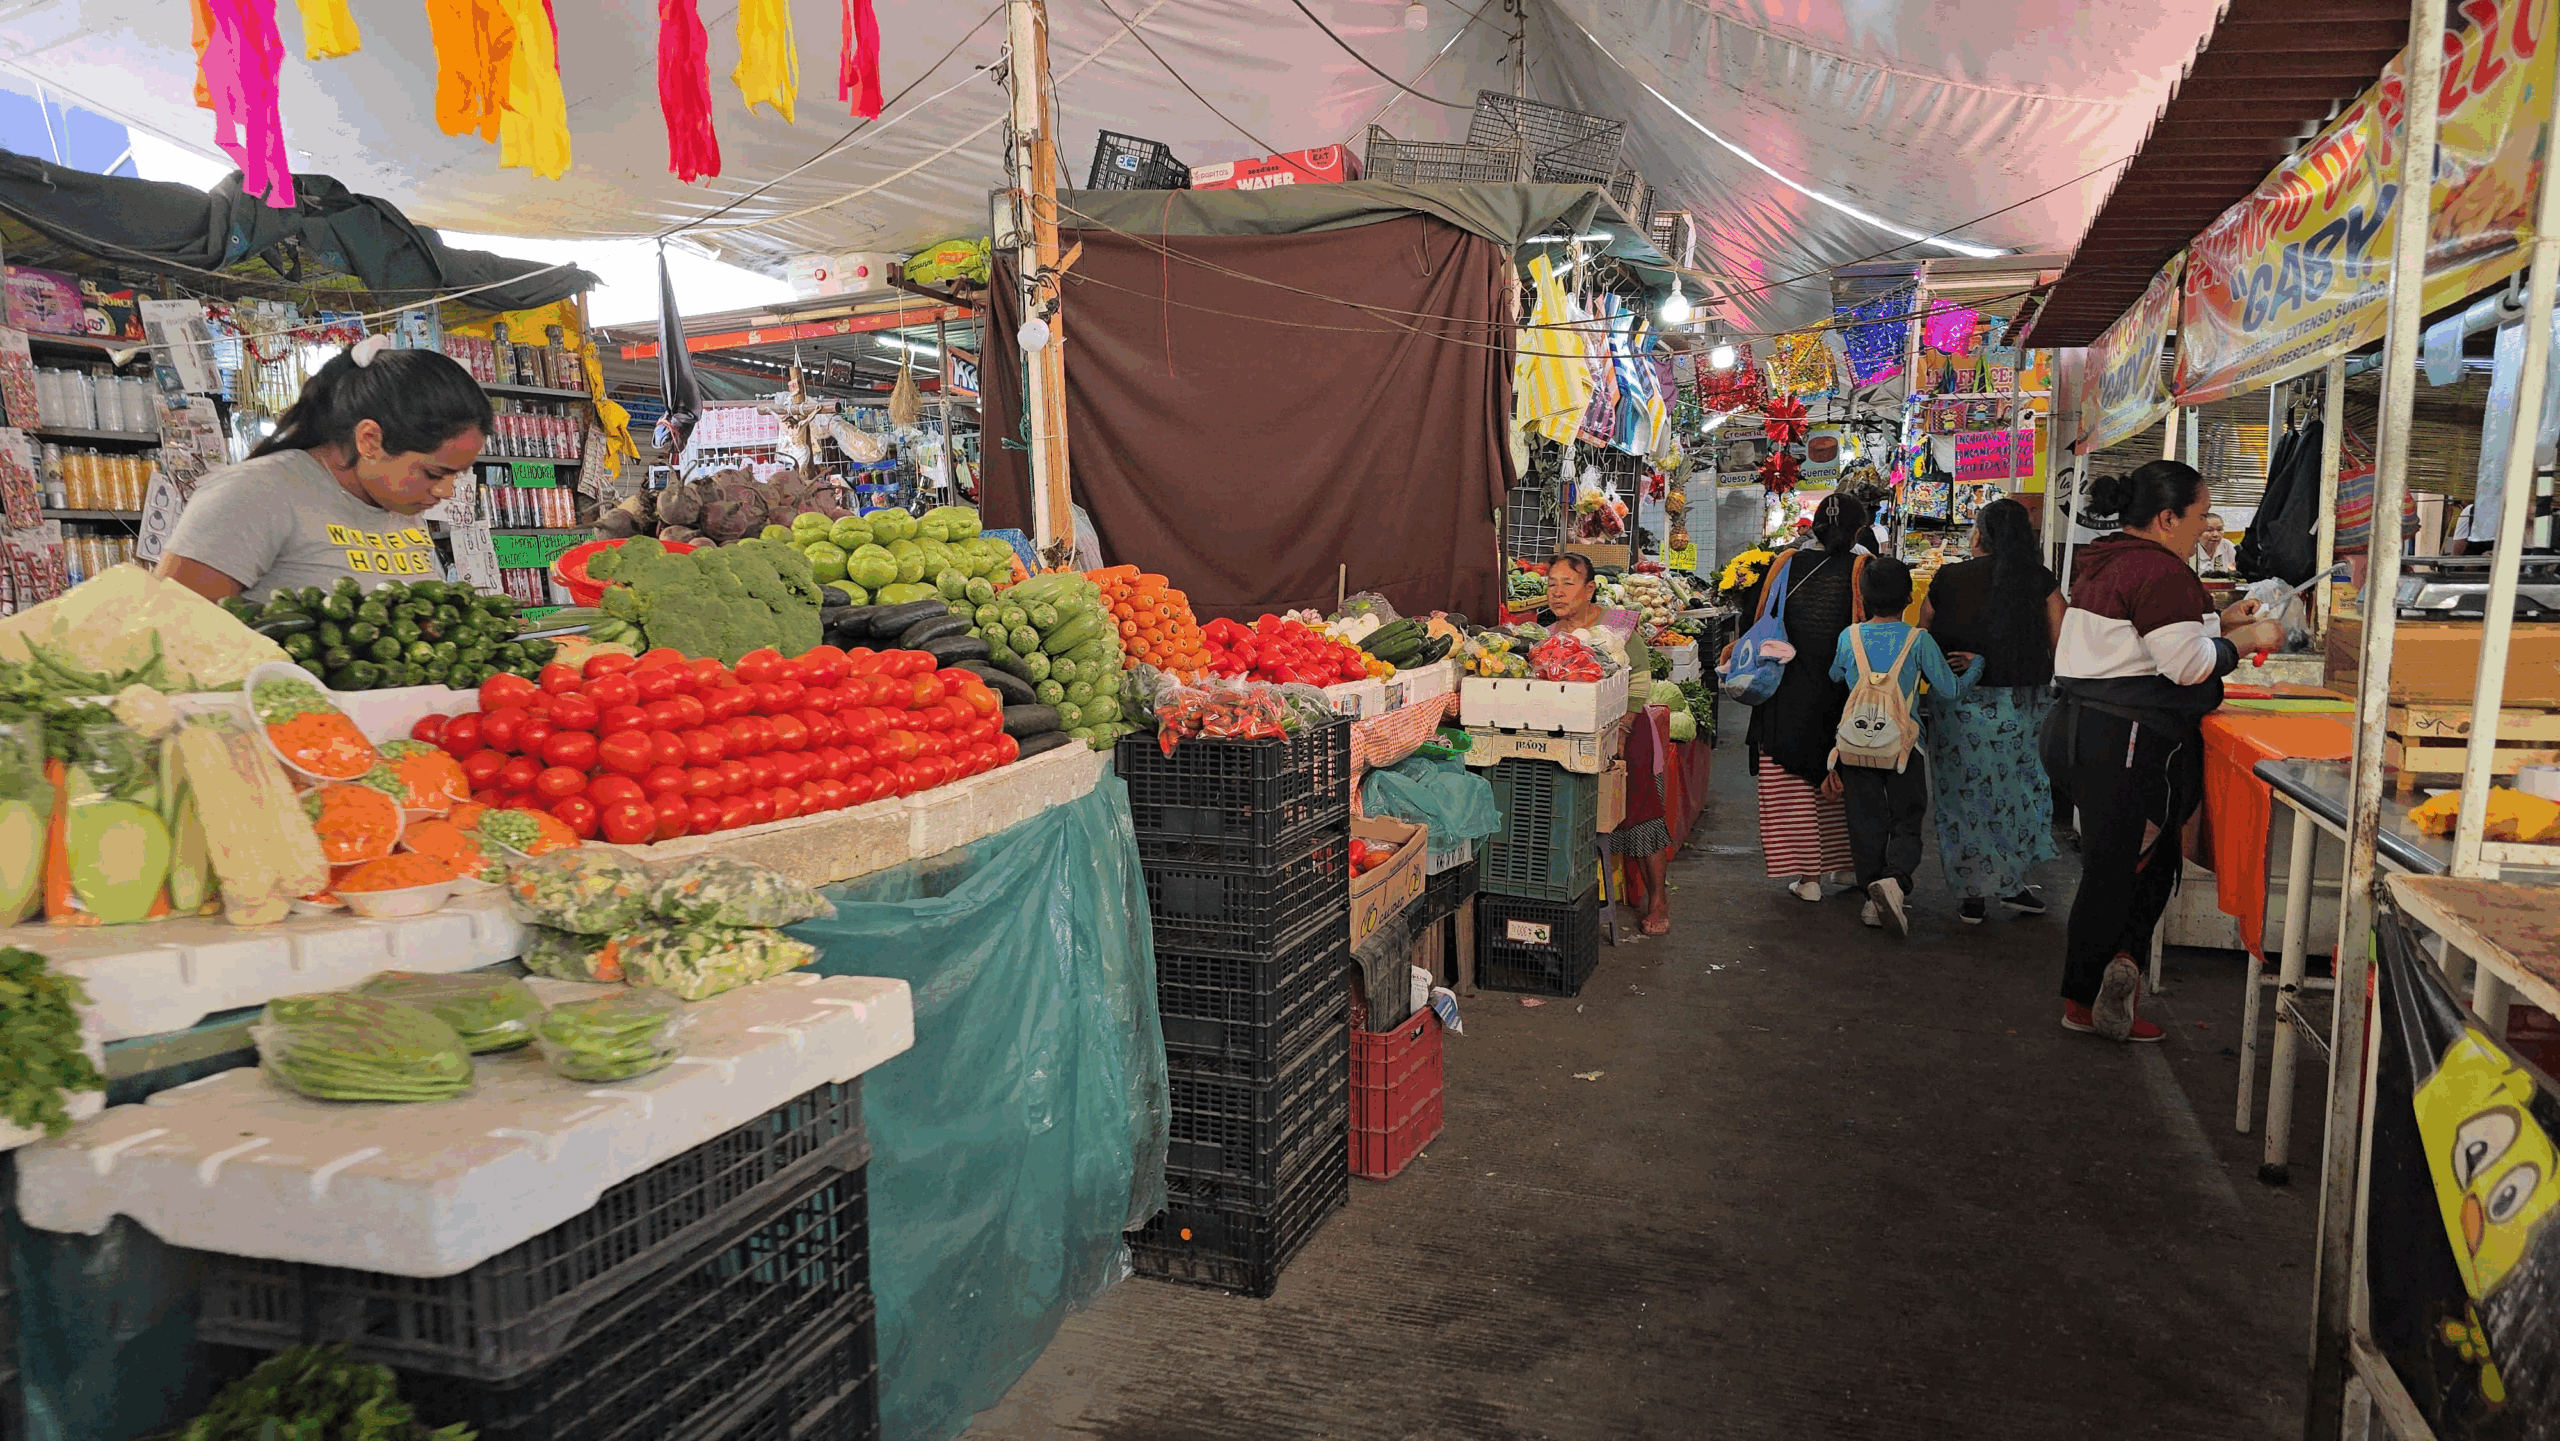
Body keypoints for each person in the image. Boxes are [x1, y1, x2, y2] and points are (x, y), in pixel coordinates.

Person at [2044, 461, 2286, 1042]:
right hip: (2123, 737)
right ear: (2165, 517)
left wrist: (2219, 620)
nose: (2204, 527)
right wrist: (2242, 641)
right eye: (2199, 516)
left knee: (2141, 862)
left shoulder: (2109, 558)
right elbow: (2185, 665)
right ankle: (2085, 996)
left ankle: (2115, 969)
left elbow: (2143, 639)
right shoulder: (2161, 571)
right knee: (2119, 869)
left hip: (2083, 730)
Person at [157, 337, 491, 604]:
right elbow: (171, 629)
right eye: (435, 474)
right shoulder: (255, 493)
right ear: (370, 440)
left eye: (457, 475)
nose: (445, 491)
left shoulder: (398, 501)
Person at [1921, 497, 2065, 923]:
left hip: (1957, 706)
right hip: (2021, 709)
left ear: (1979, 535)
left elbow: (1921, 636)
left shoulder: (1947, 578)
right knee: (2017, 797)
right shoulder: (2041, 581)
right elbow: (2062, 643)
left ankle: (1972, 895)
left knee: (1961, 799)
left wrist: (1972, 660)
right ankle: (2012, 883)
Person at [1828, 557, 1979, 939]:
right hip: (1904, 750)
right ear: (1910, 597)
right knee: (1906, 820)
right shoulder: (1919, 641)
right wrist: (1977, 666)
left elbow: (1835, 675)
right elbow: (1949, 690)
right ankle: (1894, 882)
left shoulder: (1850, 637)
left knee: (1865, 825)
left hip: (1855, 748)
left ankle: (1871, 898)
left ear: (1862, 597)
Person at [1736, 494, 1872, 901]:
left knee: (1790, 781)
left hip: (1786, 690)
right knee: (1839, 777)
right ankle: (1846, 865)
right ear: (1858, 531)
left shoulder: (1786, 563)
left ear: (1814, 526)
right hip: (1841, 693)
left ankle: (1808, 877)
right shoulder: (1864, 569)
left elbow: (1758, 620)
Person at [1538, 553, 1671, 934]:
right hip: (1578, 732)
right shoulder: (1548, 633)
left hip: (1629, 728)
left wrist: (1624, 729)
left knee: (1641, 809)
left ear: (1590, 588)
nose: (1557, 592)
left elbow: (1641, 679)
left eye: (1567, 583)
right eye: (1551, 584)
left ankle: (1659, 898)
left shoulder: (1618, 624)